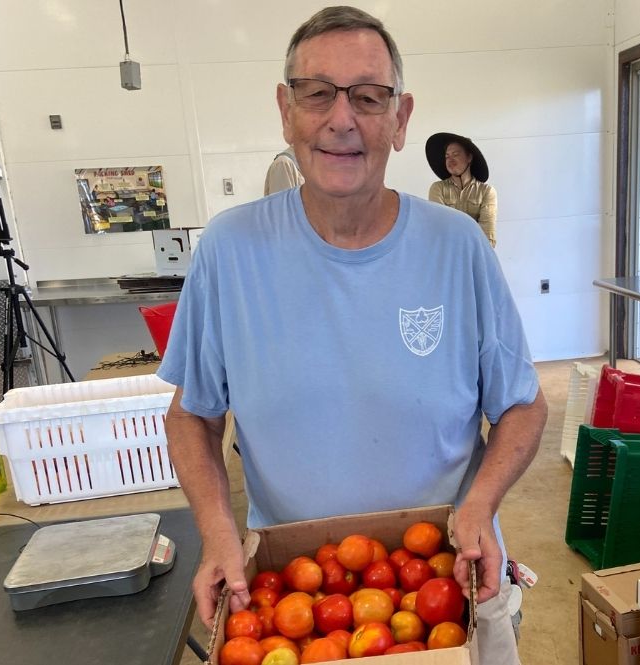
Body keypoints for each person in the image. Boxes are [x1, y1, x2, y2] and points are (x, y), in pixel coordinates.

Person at [158, 7, 546, 664]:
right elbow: (191, 414)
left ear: (400, 119)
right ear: (286, 110)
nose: (343, 119)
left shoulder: (458, 248)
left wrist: (481, 502)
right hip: (295, 600)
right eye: (317, 93)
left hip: (446, 585)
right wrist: (218, 531)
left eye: (369, 97)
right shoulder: (231, 250)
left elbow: (524, 404)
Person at [426, 132, 498, 248]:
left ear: (469, 157)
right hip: (447, 255)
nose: (450, 159)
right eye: (447, 156)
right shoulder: (438, 188)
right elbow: (439, 228)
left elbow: (487, 236)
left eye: (455, 154)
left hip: (476, 255)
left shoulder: (486, 192)